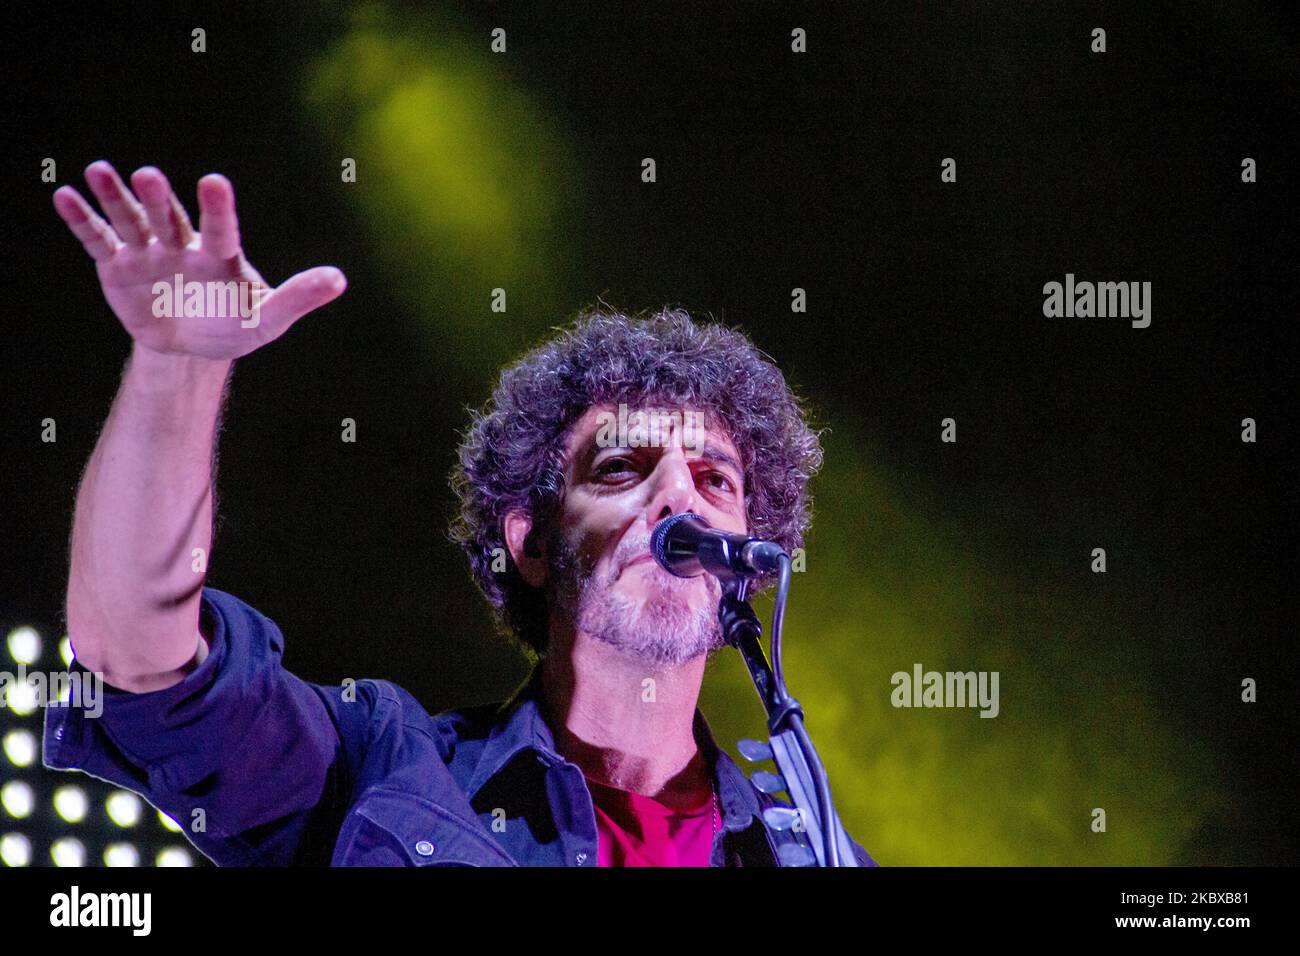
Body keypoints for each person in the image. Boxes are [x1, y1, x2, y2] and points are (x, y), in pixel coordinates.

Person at [43, 161, 877, 867]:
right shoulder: (389, 771)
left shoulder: (806, 849)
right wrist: (174, 372)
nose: (679, 495)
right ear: (533, 542)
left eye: (714, 480)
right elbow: (140, 660)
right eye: (621, 466)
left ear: (744, 561)